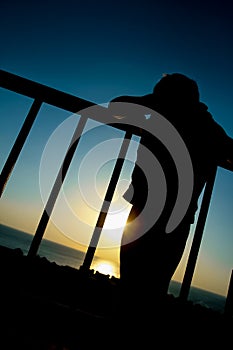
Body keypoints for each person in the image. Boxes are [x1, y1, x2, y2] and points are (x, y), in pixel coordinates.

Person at [109, 73, 233, 316]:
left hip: (148, 214)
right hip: (175, 219)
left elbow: (115, 107)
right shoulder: (205, 125)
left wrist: (153, 102)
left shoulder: (161, 114)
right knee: (150, 291)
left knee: (132, 290)